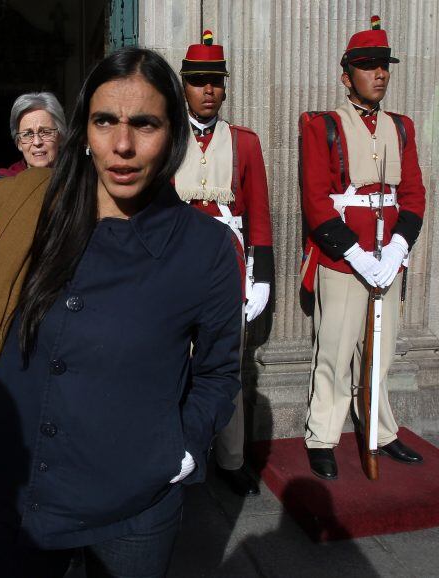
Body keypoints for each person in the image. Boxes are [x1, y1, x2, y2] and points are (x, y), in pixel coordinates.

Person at [0, 47, 243, 578]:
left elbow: (219, 373)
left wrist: (181, 450)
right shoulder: (29, 213)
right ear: (84, 130)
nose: (123, 145)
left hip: (134, 513)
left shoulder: (207, 249)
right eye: (105, 121)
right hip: (17, 496)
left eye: (145, 123)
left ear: (173, 133)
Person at [300, 16, 426, 480]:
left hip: (388, 258)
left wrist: (396, 247)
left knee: (382, 351)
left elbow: (413, 193)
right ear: (346, 73)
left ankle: (382, 430)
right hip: (342, 259)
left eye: (384, 66)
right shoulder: (323, 126)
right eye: (368, 65)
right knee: (333, 350)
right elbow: (315, 200)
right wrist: (354, 253)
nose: (379, 74)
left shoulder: (403, 127)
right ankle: (322, 435)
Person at [176, 31, 274, 497]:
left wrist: (262, 277)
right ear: (183, 86)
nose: (208, 90)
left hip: (227, 265)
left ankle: (231, 458)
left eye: (215, 81)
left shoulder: (245, 143)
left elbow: (259, 211)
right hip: (173, 261)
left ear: (226, 87)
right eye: (198, 81)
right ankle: (176, 449)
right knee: (170, 362)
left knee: (226, 365)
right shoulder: (166, 136)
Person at [0, 92, 66, 262]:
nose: (37, 142)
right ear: (18, 143)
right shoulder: (2, 182)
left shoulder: (76, 179)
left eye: (45, 132)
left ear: (59, 136)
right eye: (28, 134)